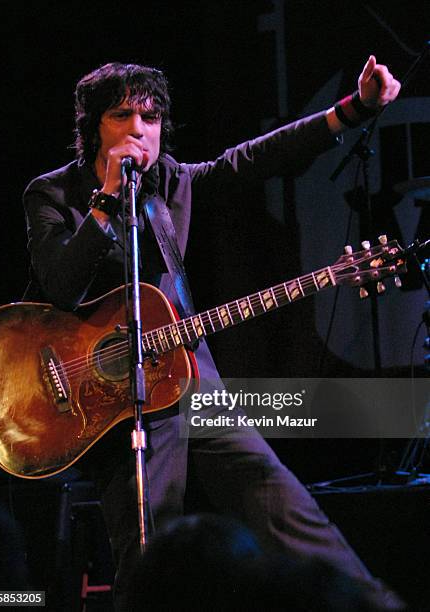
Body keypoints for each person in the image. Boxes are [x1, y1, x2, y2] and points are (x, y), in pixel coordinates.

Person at [23, 57, 403, 610]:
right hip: (111, 399)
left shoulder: (174, 182)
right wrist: (105, 203)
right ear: (91, 127)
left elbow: (260, 157)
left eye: (150, 118)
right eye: (122, 115)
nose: (138, 130)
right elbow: (58, 285)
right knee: (147, 541)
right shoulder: (52, 194)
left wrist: (354, 108)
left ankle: (371, 603)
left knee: (280, 500)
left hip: (192, 375)